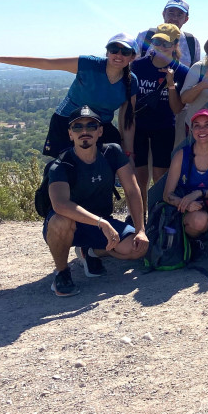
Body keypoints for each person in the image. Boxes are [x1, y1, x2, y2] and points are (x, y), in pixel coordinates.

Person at [0, 34, 138, 159]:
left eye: (125, 51)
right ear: (107, 52)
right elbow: (47, 63)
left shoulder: (131, 82)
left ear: (132, 56)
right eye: (114, 50)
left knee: (109, 164)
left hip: (99, 127)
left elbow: (127, 119)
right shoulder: (89, 64)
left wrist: (128, 151)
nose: (118, 55)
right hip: (66, 122)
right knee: (66, 169)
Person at [42, 106, 148, 296]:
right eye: (77, 127)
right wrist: (101, 222)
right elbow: (60, 205)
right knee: (60, 220)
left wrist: (140, 229)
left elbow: (132, 190)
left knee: (137, 248)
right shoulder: (61, 165)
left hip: (100, 225)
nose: (84, 131)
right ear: (70, 134)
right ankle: (62, 273)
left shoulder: (112, 153)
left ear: (100, 132)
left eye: (91, 126)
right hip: (71, 225)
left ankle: (90, 251)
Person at [164, 109, 208, 274]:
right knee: (199, 220)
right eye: (197, 126)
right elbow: (167, 194)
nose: (202, 130)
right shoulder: (182, 156)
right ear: (192, 130)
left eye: (207, 125)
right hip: (193, 213)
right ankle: (194, 242)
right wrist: (185, 204)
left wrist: (199, 193)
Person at [130, 23, 189, 212]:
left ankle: (156, 216)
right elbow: (128, 102)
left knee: (160, 176)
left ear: (175, 45)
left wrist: (171, 85)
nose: (161, 47)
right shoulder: (138, 66)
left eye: (166, 44)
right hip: (138, 126)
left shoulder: (181, 71)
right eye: (157, 42)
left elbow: (178, 108)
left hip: (164, 128)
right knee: (139, 177)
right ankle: (140, 218)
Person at [135, 0, 202, 68]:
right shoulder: (145, 36)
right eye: (171, 13)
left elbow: (195, 72)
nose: (175, 18)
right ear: (163, 14)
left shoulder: (192, 42)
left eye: (179, 15)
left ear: (186, 19)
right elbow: (131, 65)